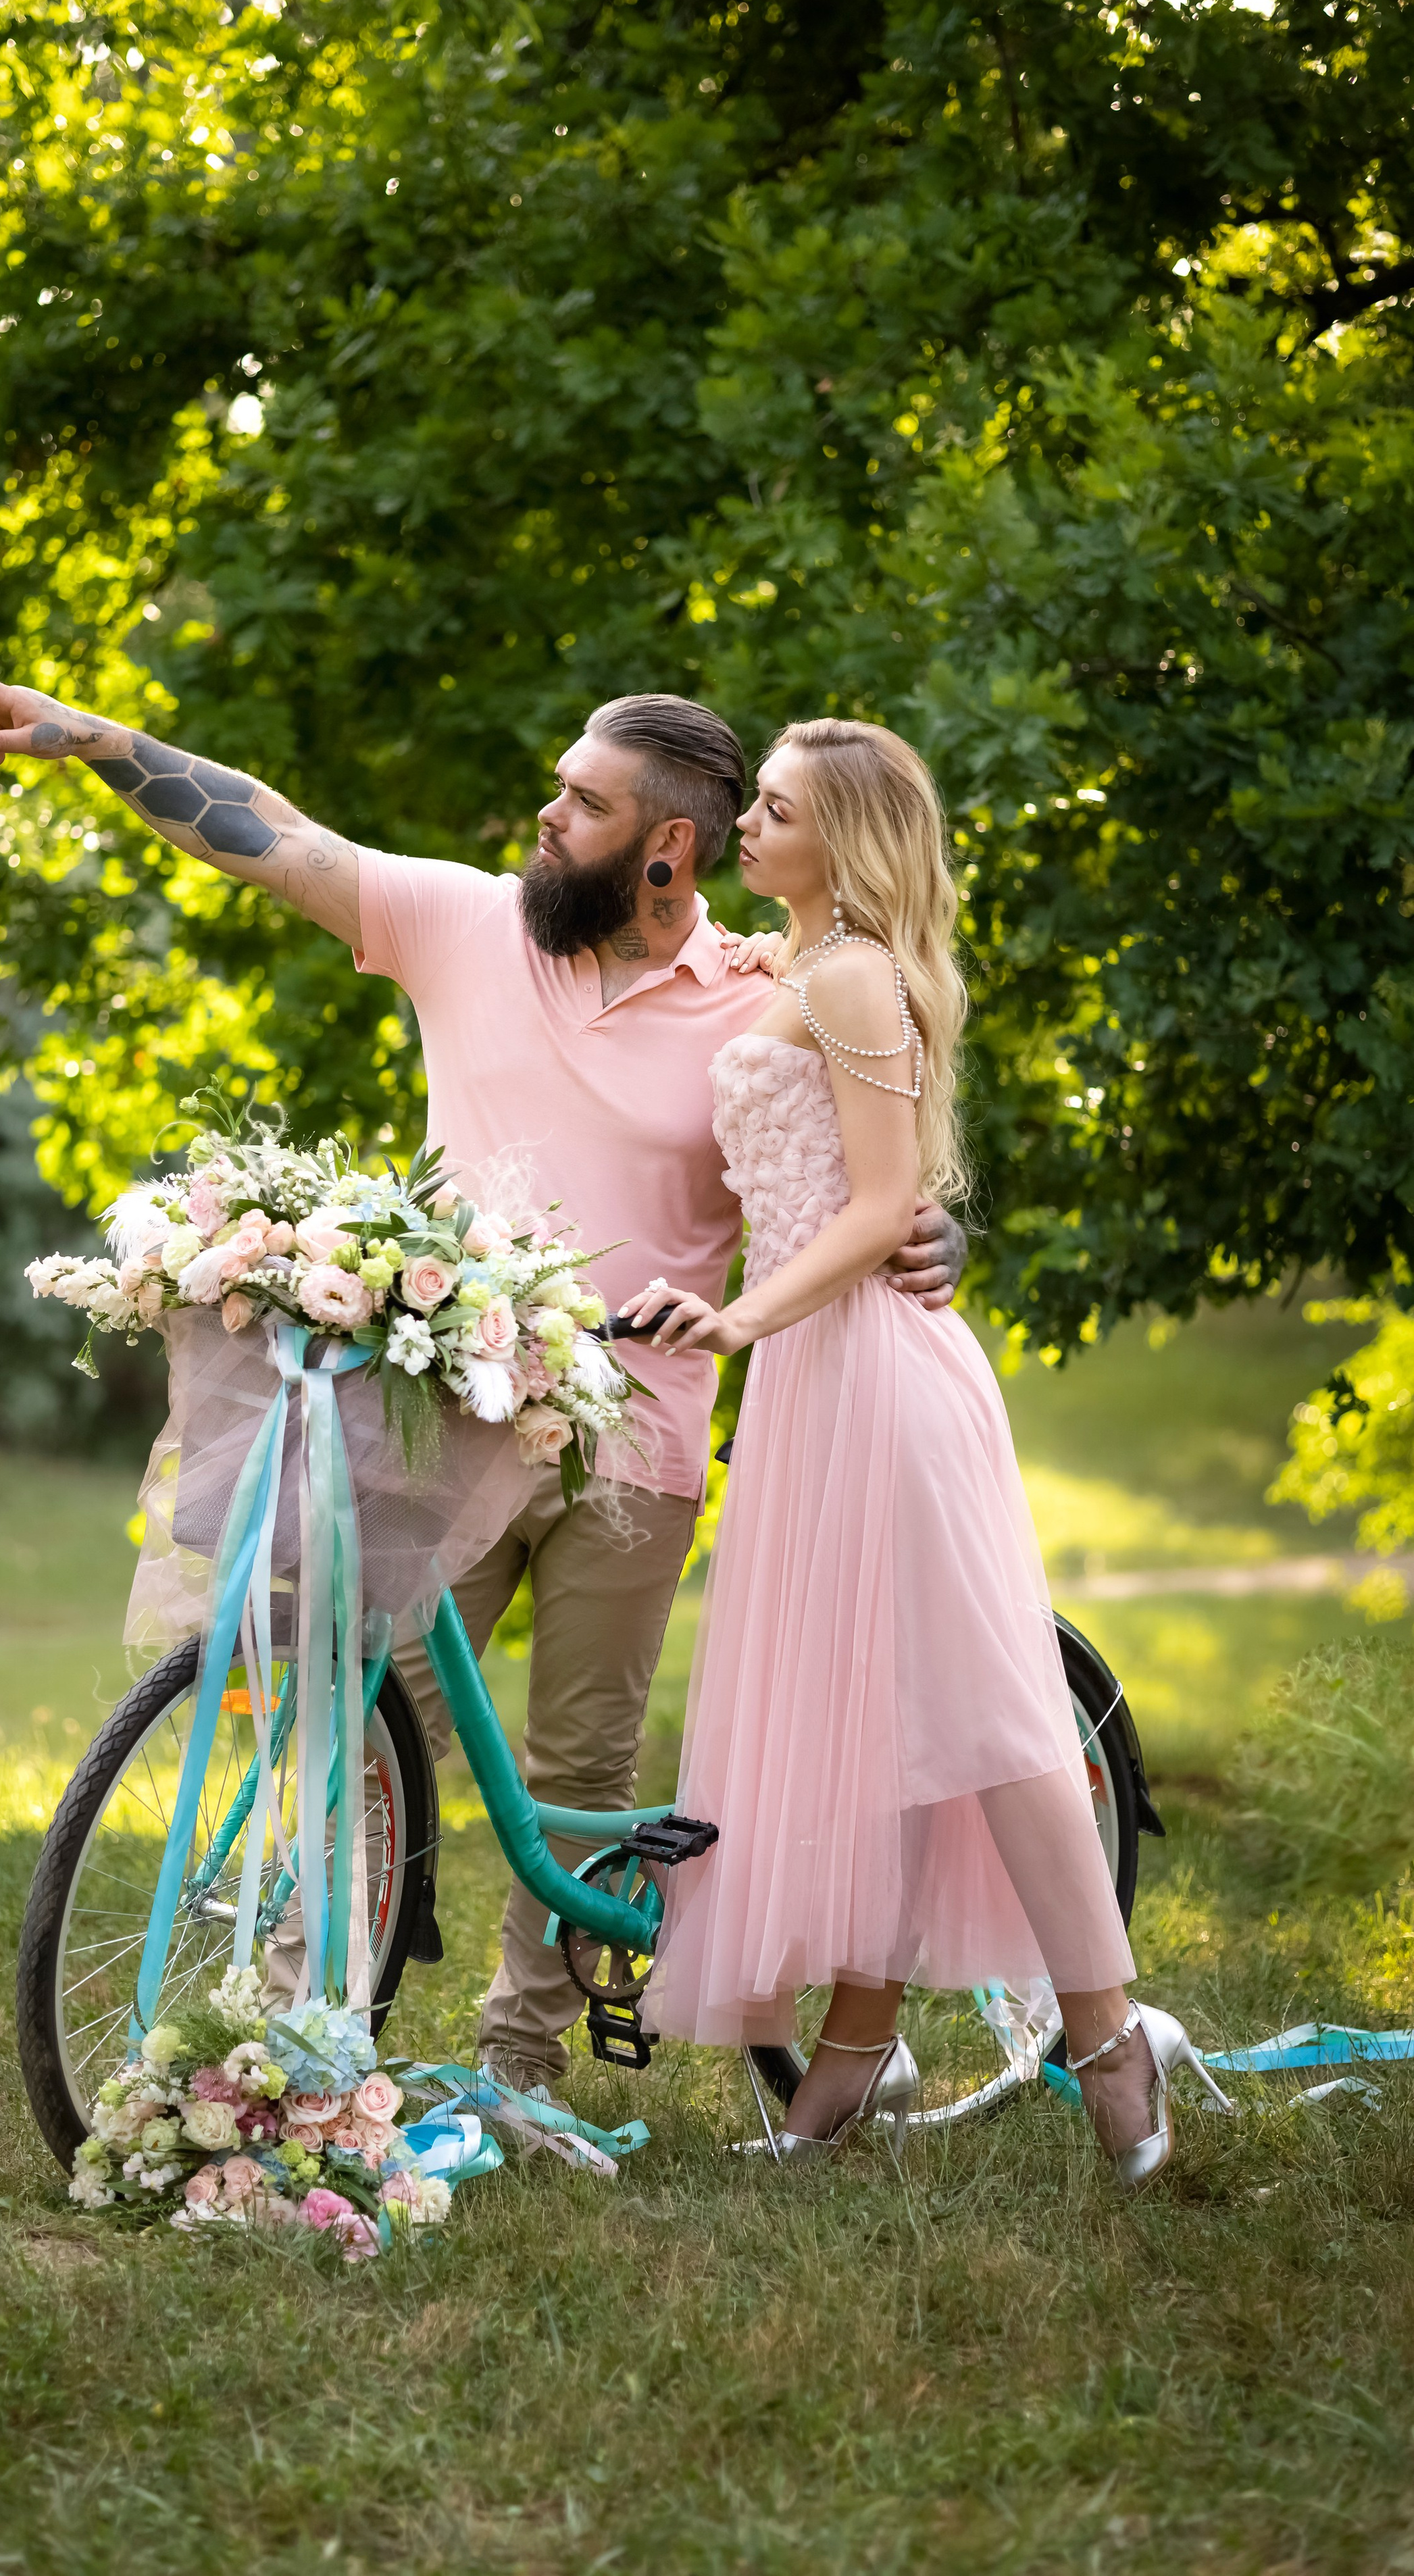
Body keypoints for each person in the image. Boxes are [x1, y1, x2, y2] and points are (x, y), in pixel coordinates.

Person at [0, 665, 967, 2095]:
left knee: (579, 1775)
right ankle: (305, 2044)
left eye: (583, 802)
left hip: (641, 1440)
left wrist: (933, 1227)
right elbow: (270, 833)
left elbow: (863, 1142)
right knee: (373, 1734)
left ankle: (519, 2066)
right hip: (448, 1427)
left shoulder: (762, 991)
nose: (547, 816)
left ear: (667, 847)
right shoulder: (470, 924)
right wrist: (91, 739)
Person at [621, 717, 1232, 2186]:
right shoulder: (797, 965)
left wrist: (738, 1319)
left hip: (875, 1375)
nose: (744, 828)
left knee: (983, 1717)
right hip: (815, 1381)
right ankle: (851, 2056)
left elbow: (884, 1202)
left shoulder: (850, 978)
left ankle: (1109, 2035)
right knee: (865, 1723)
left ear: (842, 841)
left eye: (774, 812)